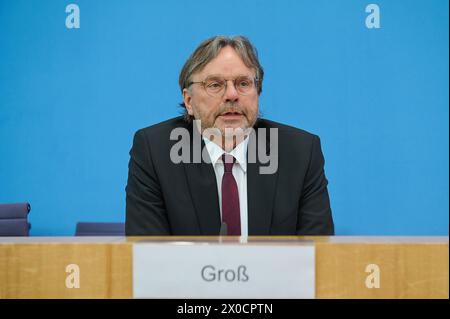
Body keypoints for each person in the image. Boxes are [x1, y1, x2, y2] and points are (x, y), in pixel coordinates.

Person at [125, 35, 334, 236]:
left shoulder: (300, 152)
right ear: (189, 101)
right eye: (215, 84)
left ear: (257, 94)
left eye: (243, 83)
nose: (232, 95)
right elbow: (148, 257)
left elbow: (318, 255)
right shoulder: (155, 151)